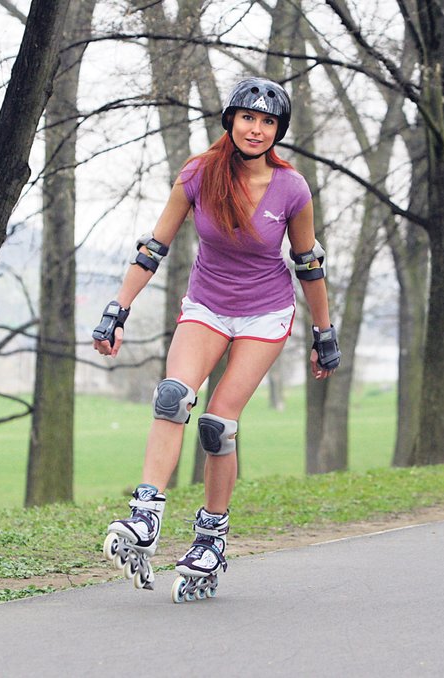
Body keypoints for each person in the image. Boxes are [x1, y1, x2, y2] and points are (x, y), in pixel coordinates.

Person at [93, 77, 340, 602]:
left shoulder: (291, 189)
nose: (257, 128)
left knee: (217, 426)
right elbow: (153, 247)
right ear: (230, 120)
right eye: (248, 117)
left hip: (264, 314)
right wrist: (119, 308)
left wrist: (324, 331)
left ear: (278, 132)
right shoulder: (199, 174)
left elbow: (308, 264)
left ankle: (210, 538)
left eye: (268, 121)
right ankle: (146, 515)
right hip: (206, 306)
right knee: (172, 396)